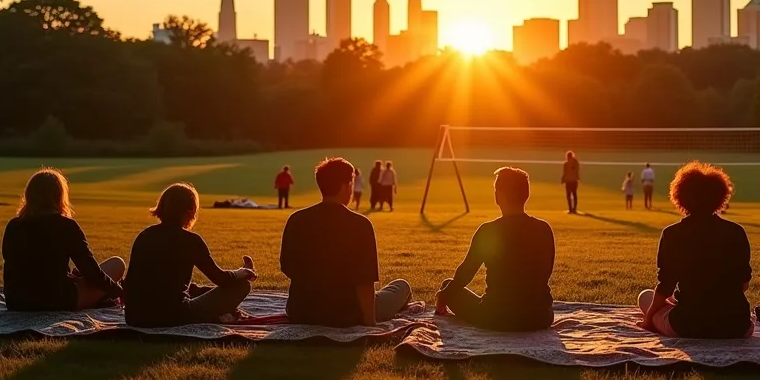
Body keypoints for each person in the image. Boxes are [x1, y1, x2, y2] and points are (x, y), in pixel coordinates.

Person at [280, 158, 411, 327]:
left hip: (301, 311)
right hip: (347, 314)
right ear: (346, 184)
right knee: (402, 286)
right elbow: (365, 282)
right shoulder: (360, 225)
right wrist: (370, 322)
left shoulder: (296, 220)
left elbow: (287, 267)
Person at [638, 162, 753, 339]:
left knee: (646, 297)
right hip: (737, 326)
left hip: (687, 325)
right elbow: (743, 284)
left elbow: (665, 287)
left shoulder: (672, 234)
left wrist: (649, 319)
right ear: (721, 196)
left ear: (680, 195)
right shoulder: (736, 232)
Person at [435, 167, 555, 332]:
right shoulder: (544, 229)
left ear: (499, 195)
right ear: (525, 195)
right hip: (540, 317)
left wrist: (444, 296)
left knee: (448, 286)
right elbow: (545, 272)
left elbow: (466, 273)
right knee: (450, 287)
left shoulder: (488, 231)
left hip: (496, 317)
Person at [124, 183, 257, 327]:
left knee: (194, 289)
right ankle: (218, 314)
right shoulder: (191, 240)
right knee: (242, 286)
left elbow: (133, 282)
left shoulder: (144, 236)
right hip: (173, 317)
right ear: (191, 210)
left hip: (134, 317)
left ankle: (210, 303)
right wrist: (240, 274)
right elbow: (221, 279)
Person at [2, 168, 125, 311]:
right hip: (56, 301)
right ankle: (102, 298)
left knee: (79, 277)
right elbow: (92, 272)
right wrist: (119, 291)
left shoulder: (14, 226)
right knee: (117, 264)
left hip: (16, 301)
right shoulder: (66, 226)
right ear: (60, 196)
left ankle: (101, 298)